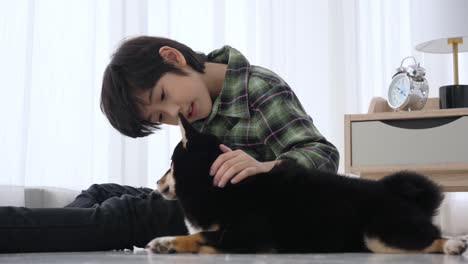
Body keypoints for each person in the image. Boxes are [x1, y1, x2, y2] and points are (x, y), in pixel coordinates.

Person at [0, 36, 338, 253]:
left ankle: (27, 231)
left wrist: (263, 166)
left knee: (125, 213)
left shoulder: (259, 88)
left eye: (162, 97)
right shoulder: (198, 100)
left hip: (234, 218)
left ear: (173, 58)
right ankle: (61, 235)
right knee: (102, 191)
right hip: (196, 204)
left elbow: (322, 154)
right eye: (161, 117)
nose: (173, 113)